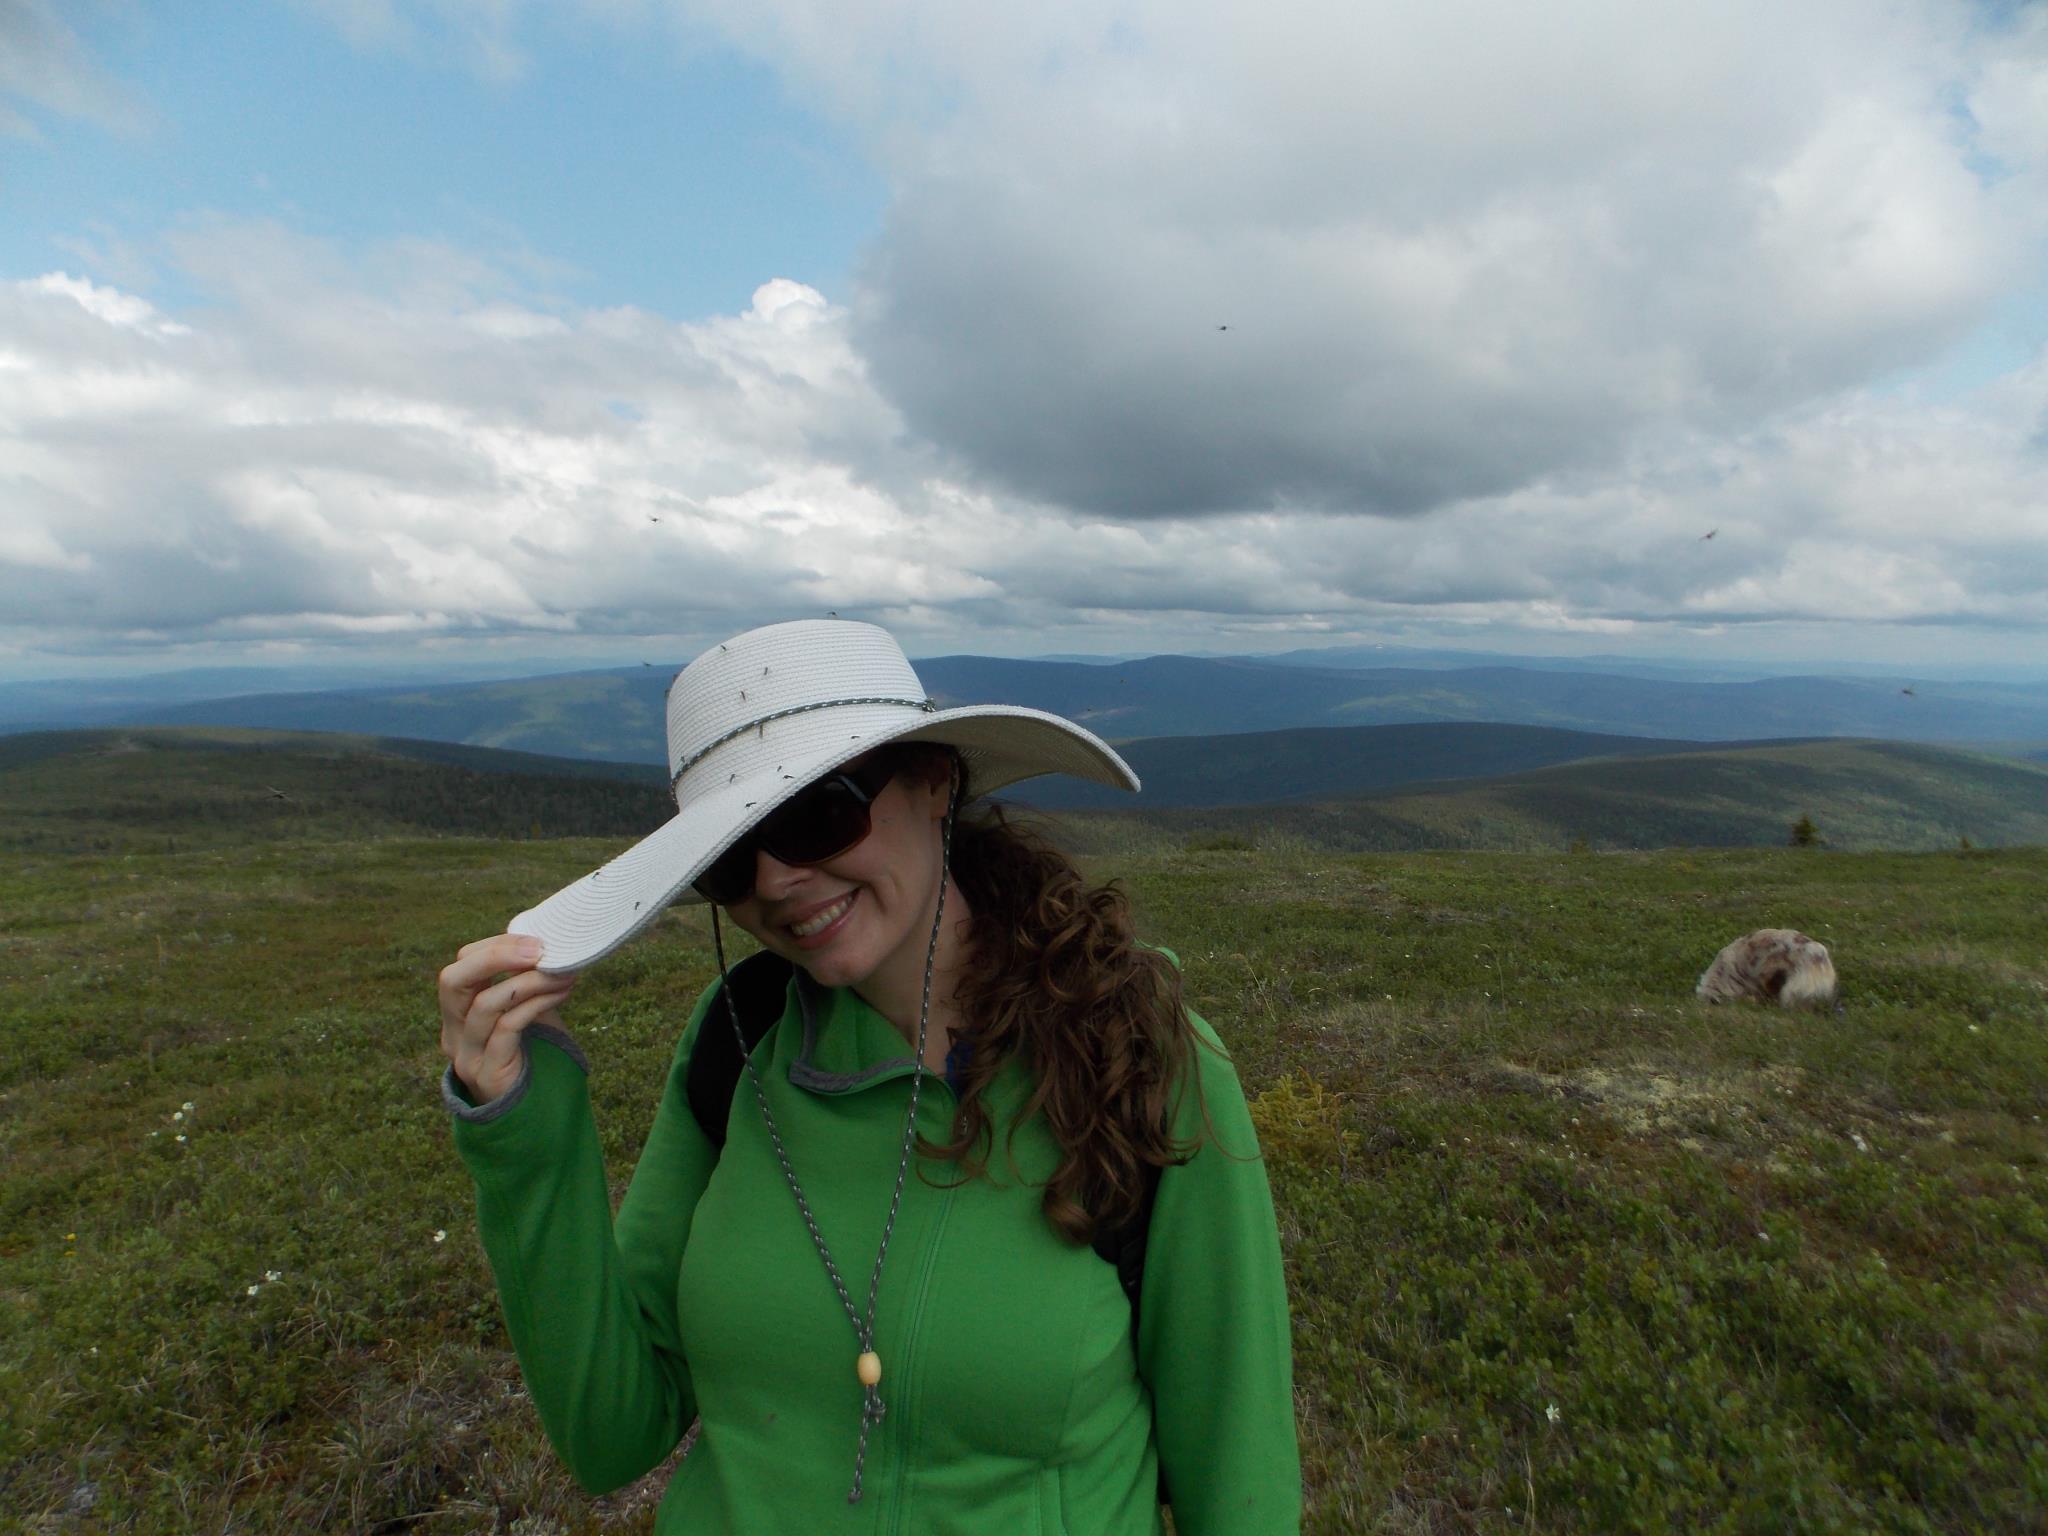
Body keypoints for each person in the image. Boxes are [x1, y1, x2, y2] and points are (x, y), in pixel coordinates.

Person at [435, 618, 1301, 1533]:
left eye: (818, 812)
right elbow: (612, 1433)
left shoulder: (1136, 1054)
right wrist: (523, 1134)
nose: (776, 879)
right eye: (729, 858)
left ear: (935, 782)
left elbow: (1238, 1475)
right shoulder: (739, 1043)